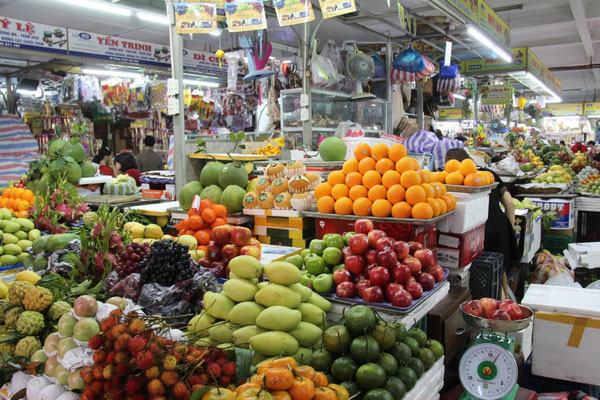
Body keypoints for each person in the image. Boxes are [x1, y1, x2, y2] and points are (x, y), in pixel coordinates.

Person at [445, 148, 520, 272]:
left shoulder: (450, 180)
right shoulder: (487, 174)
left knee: (483, 277)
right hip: (499, 228)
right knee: (499, 275)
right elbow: (510, 204)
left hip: (475, 236)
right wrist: (509, 232)